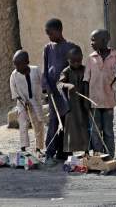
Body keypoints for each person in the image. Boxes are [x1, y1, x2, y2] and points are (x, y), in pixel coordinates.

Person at [42, 18, 78, 166]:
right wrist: (46, 88)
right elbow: (45, 70)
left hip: (65, 93)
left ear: (59, 30)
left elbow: (73, 70)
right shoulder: (48, 48)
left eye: (50, 33)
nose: (49, 36)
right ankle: (49, 153)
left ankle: (64, 153)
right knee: (53, 122)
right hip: (52, 93)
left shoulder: (70, 47)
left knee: (66, 122)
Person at [83, 29, 116, 158]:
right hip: (94, 102)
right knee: (95, 131)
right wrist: (86, 100)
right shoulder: (90, 58)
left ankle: (110, 156)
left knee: (108, 131)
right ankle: (98, 157)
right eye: (91, 40)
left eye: (94, 40)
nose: (91, 43)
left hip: (109, 101)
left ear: (104, 41)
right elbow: (86, 80)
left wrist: (113, 81)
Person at [10, 50, 44, 156]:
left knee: (38, 123)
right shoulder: (14, 75)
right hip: (21, 102)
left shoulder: (36, 70)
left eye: (19, 64)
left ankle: (39, 148)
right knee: (23, 124)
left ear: (27, 62)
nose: (17, 67)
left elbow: (43, 83)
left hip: (36, 101)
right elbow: (14, 92)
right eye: (15, 64)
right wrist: (21, 101)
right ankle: (23, 148)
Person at [57, 47, 89, 155]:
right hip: (71, 106)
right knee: (71, 129)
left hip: (83, 104)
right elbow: (59, 84)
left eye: (79, 61)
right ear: (68, 60)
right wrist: (67, 85)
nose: (76, 63)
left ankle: (86, 151)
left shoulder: (84, 69)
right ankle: (70, 153)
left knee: (84, 128)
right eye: (73, 61)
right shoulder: (66, 71)